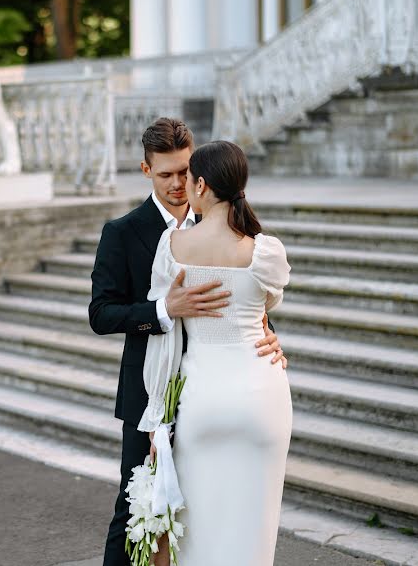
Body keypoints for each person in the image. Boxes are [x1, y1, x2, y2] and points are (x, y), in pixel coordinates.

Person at [89, 118, 286, 566]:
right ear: (145, 171)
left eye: (184, 172)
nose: (178, 184)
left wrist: (267, 333)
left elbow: (245, 298)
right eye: (165, 175)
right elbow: (100, 314)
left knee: (209, 512)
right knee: (137, 510)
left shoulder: (228, 226)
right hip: (151, 395)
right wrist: (163, 310)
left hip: (215, 389)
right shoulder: (122, 232)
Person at [140, 139, 293, 565]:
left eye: (187, 179)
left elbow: (163, 340)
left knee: (198, 531)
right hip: (262, 393)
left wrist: (156, 417)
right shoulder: (266, 251)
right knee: (254, 529)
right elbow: (265, 306)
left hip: (203, 397)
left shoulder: (173, 247)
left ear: (202, 185)